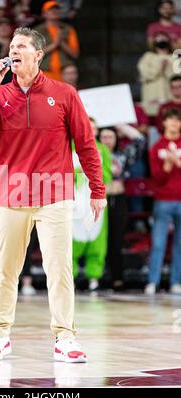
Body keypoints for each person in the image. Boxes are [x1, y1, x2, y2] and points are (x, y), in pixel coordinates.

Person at [0, 27, 106, 362]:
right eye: (11, 46)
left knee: (59, 268)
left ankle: (65, 338)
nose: (14, 51)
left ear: (38, 55)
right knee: (6, 269)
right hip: (12, 193)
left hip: (54, 193)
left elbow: (86, 144)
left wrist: (97, 190)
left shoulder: (64, 93)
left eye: (22, 46)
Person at [99, 125, 145, 291]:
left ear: (117, 138)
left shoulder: (122, 155)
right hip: (98, 199)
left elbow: (140, 141)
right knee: (96, 239)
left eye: (110, 137)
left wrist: (119, 125)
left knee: (116, 240)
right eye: (103, 137)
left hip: (118, 199)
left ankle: (116, 278)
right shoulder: (92, 153)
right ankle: (94, 278)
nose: (107, 140)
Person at [72, 117, 112, 292]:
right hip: (74, 200)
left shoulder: (102, 150)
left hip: (95, 200)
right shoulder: (69, 147)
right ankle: (69, 276)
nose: (91, 131)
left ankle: (94, 277)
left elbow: (108, 175)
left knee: (97, 238)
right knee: (72, 238)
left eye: (94, 128)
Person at [145, 108, 181, 295]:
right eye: (171, 120)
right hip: (163, 200)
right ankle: (153, 281)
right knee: (158, 243)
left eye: (178, 120)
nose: (175, 124)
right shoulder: (157, 147)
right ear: (165, 123)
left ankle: (176, 282)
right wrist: (167, 165)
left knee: (179, 244)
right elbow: (156, 178)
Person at [34, 1, 80, 81]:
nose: (54, 11)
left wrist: (61, 43)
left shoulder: (68, 29)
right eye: (50, 9)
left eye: (56, 9)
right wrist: (55, 44)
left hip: (66, 74)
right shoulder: (37, 31)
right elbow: (33, 55)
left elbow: (75, 54)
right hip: (45, 73)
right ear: (44, 14)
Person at [137, 31, 174, 116]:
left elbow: (176, 77)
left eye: (163, 38)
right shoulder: (148, 56)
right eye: (158, 38)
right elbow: (144, 73)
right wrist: (159, 68)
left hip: (169, 96)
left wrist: (167, 68)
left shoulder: (173, 57)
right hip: (151, 97)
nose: (161, 41)